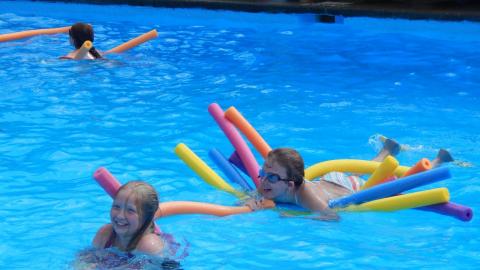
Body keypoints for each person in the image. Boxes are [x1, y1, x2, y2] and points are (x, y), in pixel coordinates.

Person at [247, 139, 454, 220]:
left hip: (345, 189)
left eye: (271, 177)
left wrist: (293, 216)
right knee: (363, 171)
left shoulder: (304, 195)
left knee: (388, 185)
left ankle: (437, 161)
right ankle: (388, 150)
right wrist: (250, 205)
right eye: (263, 173)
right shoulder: (268, 186)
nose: (263, 180)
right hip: (327, 180)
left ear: (290, 184)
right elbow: (246, 201)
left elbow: (331, 217)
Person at [92, 181, 164, 255]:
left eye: (130, 210)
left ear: (146, 217)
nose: (120, 216)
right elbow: (87, 259)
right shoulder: (105, 233)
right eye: (116, 207)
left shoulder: (149, 245)